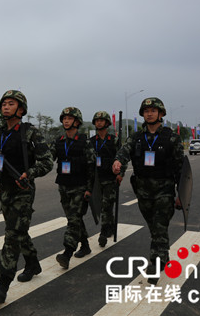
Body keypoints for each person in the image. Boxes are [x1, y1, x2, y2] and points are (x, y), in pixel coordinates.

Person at [0, 90, 53, 304]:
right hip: (5, 188)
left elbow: (47, 162)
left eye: (11, 104)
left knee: (12, 235)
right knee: (18, 231)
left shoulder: (30, 133)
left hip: (23, 189)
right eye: (4, 104)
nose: (6, 107)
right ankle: (32, 262)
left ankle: (3, 283)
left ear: (21, 109)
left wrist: (29, 174)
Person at [112, 97, 184, 285]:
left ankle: (155, 263)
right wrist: (118, 162)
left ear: (161, 113)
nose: (149, 113)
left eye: (153, 110)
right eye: (146, 111)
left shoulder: (172, 138)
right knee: (154, 227)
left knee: (160, 226)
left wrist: (181, 196)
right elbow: (124, 152)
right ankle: (163, 255)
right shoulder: (136, 137)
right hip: (143, 191)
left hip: (164, 190)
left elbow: (181, 169)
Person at [52, 107, 96, 270]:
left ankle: (67, 253)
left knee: (73, 220)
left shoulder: (85, 142)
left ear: (77, 122)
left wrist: (89, 189)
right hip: (63, 185)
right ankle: (85, 245)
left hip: (80, 186)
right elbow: (49, 158)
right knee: (73, 218)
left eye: (70, 118)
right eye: (64, 118)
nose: (66, 121)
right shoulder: (59, 141)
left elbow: (92, 168)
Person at [90, 111, 125, 247]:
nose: (99, 122)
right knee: (101, 205)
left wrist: (120, 173)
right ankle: (110, 226)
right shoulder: (91, 142)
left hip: (110, 178)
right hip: (96, 178)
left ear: (107, 123)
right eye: (97, 120)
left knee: (107, 205)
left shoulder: (114, 140)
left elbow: (122, 158)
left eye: (101, 120)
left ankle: (103, 232)